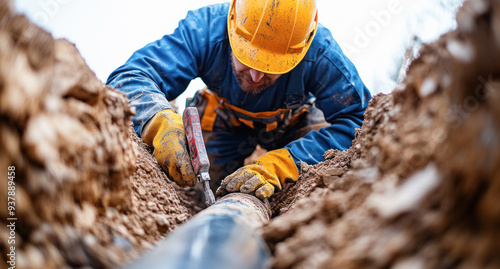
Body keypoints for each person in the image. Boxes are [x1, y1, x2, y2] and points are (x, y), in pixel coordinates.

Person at [107, 0, 372, 200]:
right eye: (248, 57)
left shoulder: (321, 54)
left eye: (271, 65)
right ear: (232, 26)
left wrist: (287, 162)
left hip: (292, 122)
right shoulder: (206, 30)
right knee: (198, 185)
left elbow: (361, 121)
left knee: (322, 178)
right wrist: (157, 121)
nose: (256, 76)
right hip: (224, 119)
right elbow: (131, 76)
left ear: (301, 50)